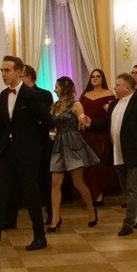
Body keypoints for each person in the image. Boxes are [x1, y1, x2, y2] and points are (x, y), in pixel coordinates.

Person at [0, 56, 54, 256]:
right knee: (0, 195)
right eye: (1, 70)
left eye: (7, 70)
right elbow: (3, 124)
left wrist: (30, 141)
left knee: (31, 193)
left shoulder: (32, 95)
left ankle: (39, 236)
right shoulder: (3, 95)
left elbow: (47, 121)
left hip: (27, 152)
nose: (3, 74)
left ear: (19, 71)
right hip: (7, 151)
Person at [87, 72, 137, 234]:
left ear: (127, 87)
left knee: (132, 188)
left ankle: (128, 223)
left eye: (118, 85)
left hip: (135, 153)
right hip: (117, 152)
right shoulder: (114, 104)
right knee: (128, 188)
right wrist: (91, 124)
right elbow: (106, 125)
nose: (115, 87)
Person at [46, 76, 100, 231]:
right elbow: (52, 126)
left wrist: (83, 119)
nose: (55, 89)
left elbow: (81, 116)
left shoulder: (75, 104)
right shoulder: (55, 106)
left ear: (64, 88)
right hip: (58, 144)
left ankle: (91, 211)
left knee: (78, 183)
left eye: (57, 87)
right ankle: (55, 218)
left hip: (73, 143)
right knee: (55, 183)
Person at [22, 64, 54, 225]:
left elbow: (47, 119)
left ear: (28, 77)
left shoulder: (44, 94)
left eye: (20, 75)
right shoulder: (16, 95)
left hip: (41, 142)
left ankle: (51, 212)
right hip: (24, 143)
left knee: (44, 179)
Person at [80, 69, 116, 206]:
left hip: (101, 134)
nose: (95, 78)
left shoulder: (109, 94)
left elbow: (110, 116)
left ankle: (99, 194)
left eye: (98, 76)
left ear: (102, 78)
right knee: (87, 165)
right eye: (93, 76)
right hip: (86, 135)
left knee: (99, 163)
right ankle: (89, 195)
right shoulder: (85, 95)